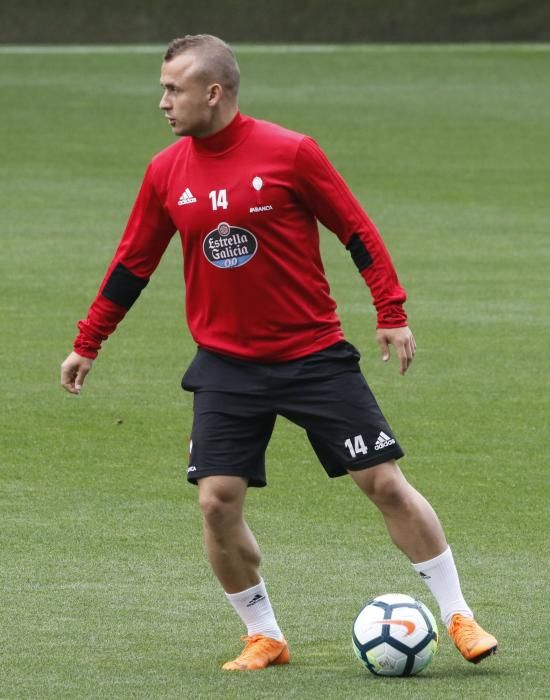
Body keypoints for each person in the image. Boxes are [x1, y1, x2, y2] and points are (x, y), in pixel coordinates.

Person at [60, 34, 497, 671]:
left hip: (313, 355)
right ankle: (264, 635)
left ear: (213, 92)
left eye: (173, 89)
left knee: (384, 484)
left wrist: (391, 312)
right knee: (216, 502)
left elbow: (356, 230)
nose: (162, 102)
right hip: (226, 366)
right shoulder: (165, 171)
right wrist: (88, 342)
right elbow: (132, 265)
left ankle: (459, 614)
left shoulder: (291, 153)